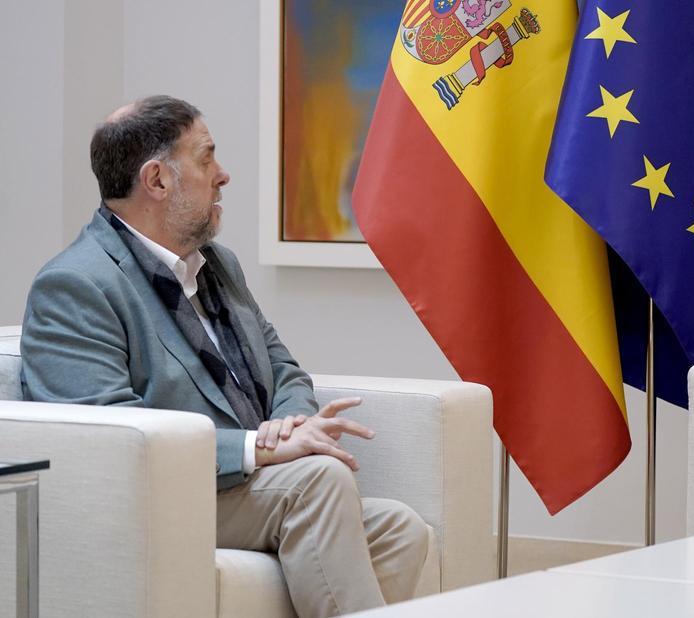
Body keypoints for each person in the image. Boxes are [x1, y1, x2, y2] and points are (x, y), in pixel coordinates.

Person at [21, 95, 428, 616]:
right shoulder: (76, 284)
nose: (223, 175)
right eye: (206, 158)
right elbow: (106, 437)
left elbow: (282, 367)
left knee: (400, 529)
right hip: (162, 494)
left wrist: (288, 424)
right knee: (319, 481)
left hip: (241, 484)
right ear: (157, 180)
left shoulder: (217, 265)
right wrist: (257, 448)